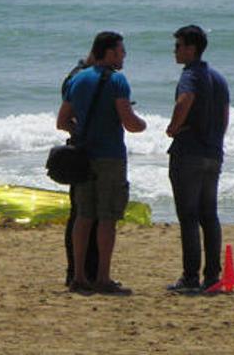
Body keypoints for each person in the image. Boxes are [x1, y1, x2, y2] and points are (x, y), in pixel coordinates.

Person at [57, 32, 147, 295]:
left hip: (84, 156)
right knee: (107, 218)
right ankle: (103, 277)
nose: (124, 56)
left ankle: (79, 276)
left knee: (84, 217)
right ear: (109, 53)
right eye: (121, 52)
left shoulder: (79, 79)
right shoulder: (118, 81)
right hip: (110, 156)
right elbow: (129, 122)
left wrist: (81, 133)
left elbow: (62, 121)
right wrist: (143, 124)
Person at [165, 25, 230, 294]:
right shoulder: (218, 78)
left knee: (189, 216)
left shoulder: (190, 75)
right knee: (209, 216)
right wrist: (215, 139)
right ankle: (212, 276)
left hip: (189, 151)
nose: (175, 51)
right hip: (212, 152)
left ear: (191, 48)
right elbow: (225, 116)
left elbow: (185, 100)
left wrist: (173, 127)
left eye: (178, 46)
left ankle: (191, 276)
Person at [61, 53, 99, 287]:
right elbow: (67, 117)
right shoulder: (79, 78)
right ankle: (79, 270)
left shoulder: (76, 76)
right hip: (84, 150)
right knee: (82, 214)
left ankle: (80, 270)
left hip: (81, 147)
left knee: (81, 213)